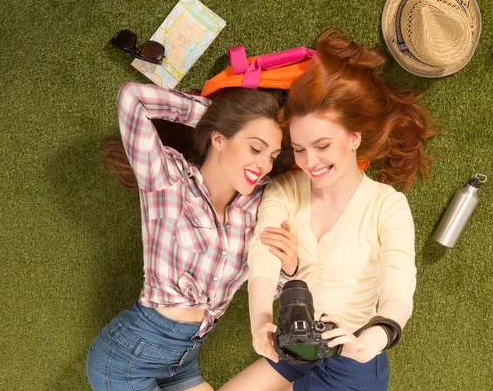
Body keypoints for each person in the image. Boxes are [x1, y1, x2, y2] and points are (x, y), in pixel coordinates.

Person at [219, 28, 438, 391]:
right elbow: (264, 251)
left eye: (322, 145)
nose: (310, 162)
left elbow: (399, 281)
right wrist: (259, 321)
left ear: (354, 138)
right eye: (300, 148)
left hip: (353, 357)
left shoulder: (387, 205)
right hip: (296, 343)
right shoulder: (286, 189)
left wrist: (377, 335)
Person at [86, 83, 300, 391]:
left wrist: (290, 269)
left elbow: (270, 285)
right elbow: (132, 99)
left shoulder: (258, 206)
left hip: (183, 360)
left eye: (272, 156)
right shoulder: (169, 179)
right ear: (219, 139)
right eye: (255, 148)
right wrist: (217, 116)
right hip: (128, 360)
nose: (264, 164)